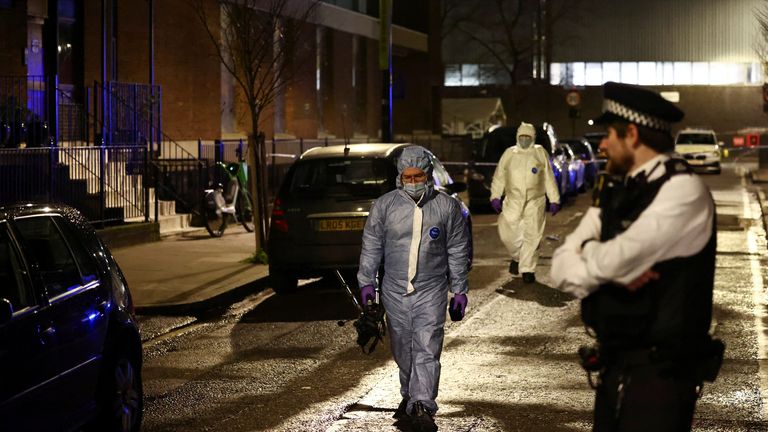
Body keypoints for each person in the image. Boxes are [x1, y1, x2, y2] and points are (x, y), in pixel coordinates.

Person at [551, 81, 720, 431]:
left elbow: (613, 259)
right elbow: (560, 266)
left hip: (662, 377)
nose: (602, 144)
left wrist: (594, 255)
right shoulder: (618, 188)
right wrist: (606, 264)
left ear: (631, 134)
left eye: (608, 134)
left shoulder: (684, 190)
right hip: (615, 368)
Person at [357, 145, 470, 432]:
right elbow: (372, 246)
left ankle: (422, 403)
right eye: (407, 176)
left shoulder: (446, 207)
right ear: (399, 176)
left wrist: (459, 290)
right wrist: (367, 283)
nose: (412, 180)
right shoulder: (385, 207)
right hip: (394, 291)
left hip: (431, 289)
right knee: (402, 348)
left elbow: (458, 249)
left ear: (428, 174)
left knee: (426, 346)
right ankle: (409, 395)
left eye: (417, 175)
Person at [490, 121, 560, 283]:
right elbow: (500, 176)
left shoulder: (540, 153)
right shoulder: (509, 154)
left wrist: (554, 199)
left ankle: (528, 269)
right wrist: (495, 195)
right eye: (521, 136)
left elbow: (549, 177)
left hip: (535, 201)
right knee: (508, 233)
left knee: (532, 235)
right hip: (513, 200)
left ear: (533, 138)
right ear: (517, 137)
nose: (524, 139)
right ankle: (517, 257)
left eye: (527, 136)